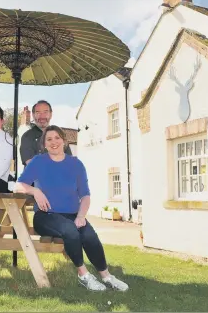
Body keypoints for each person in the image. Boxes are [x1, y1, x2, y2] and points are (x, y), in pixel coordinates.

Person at [14, 125, 128, 292]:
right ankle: (84, 275)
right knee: (70, 231)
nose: (54, 142)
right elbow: (18, 185)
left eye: (57, 138)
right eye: (49, 139)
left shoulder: (76, 164)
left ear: (64, 141)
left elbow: (85, 196)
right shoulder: (39, 161)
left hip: (74, 214)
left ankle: (106, 276)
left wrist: (81, 216)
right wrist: (35, 190)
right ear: (44, 144)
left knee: (89, 235)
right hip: (46, 216)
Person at [20, 100, 72, 166]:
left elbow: (69, 163)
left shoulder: (60, 135)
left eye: (45, 112)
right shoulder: (27, 137)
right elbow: (32, 166)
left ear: (51, 114)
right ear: (33, 115)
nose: (42, 116)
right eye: (38, 112)